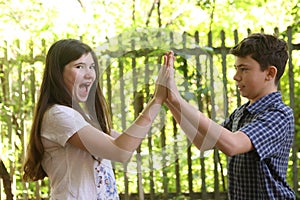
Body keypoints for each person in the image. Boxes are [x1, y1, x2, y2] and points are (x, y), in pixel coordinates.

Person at [22, 39, 172, 199]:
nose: (89, 74)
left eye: (92, 67)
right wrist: (156, 100)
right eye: (79, 66)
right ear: (58, 73)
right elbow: (121, 151)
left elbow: (127, 143)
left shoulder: (82, 118)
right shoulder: (58, 115)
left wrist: (167, 97)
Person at [164, 33, 295, 199]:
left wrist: (178, 99)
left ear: (270, 73)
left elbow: (232, 145)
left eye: (244, 69)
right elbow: (203, 142)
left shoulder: (279, 115)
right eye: (236, 69)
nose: (236, 76)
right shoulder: (242, 112)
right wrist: (170, 101)